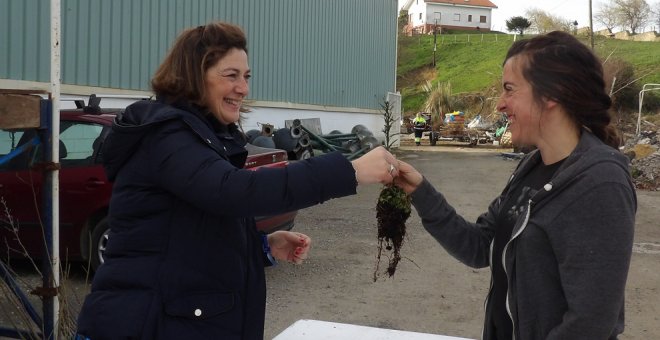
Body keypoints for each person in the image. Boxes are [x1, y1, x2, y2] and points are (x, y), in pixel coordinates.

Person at [75, 22, 399, 340]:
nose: (243, 88)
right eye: (231, 76)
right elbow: (233, 192)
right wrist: (350, 171)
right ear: (193, 77)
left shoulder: (206, 137)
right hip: (141, 326)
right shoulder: (166, 136)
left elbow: (190, 236)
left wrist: (261, 248)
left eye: (246, 77)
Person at [394, 31, 636, 339]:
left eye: (509, 90)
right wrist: (420, 190)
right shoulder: (530, 167)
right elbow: (479, 247)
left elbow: (591, 322)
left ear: (552, 94)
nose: (501, 105)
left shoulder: (599, 182)